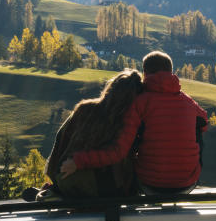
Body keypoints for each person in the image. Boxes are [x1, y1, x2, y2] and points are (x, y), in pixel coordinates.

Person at [61, 51, 207, 194]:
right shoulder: (189, 102)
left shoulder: (140, 103)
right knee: (197, 128)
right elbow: (204, 122)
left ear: (145, 73)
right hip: (187, 183)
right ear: (171, 72)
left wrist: (78, 162)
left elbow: (118, 152)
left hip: (149, 184)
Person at [42, 69, 144, 198]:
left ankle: (54, 191)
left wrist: (56, 176)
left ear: (111, 88)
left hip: (69, 179)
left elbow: (61, 139)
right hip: (114, 189)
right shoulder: (130, 122)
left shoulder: (84, 109)